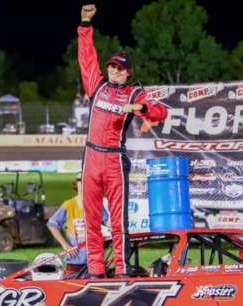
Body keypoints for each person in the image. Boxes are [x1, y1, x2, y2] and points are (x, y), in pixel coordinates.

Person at [78, 4, 168, 279]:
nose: (115, 71)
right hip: (92, 157)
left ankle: (121, 270)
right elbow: (86, 58)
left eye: (120, 68)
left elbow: (160, 112)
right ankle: (94, 270)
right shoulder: (97, 86)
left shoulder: (134, 93)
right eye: (112, 66)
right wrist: (85, 24)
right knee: (92, 221)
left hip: (115, 158)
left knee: (118, 221)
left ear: (128, 72)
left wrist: (138, 109)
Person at [47, 172, 110, 276]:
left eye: (87, 182)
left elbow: (109, 223)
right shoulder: (69, 205)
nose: (84, 184)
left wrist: (116, 206)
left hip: (94, 260)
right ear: (76, 184)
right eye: (81, 181)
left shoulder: (96, 203)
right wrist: (64, 244)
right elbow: (52, 224)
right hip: (74, 261)